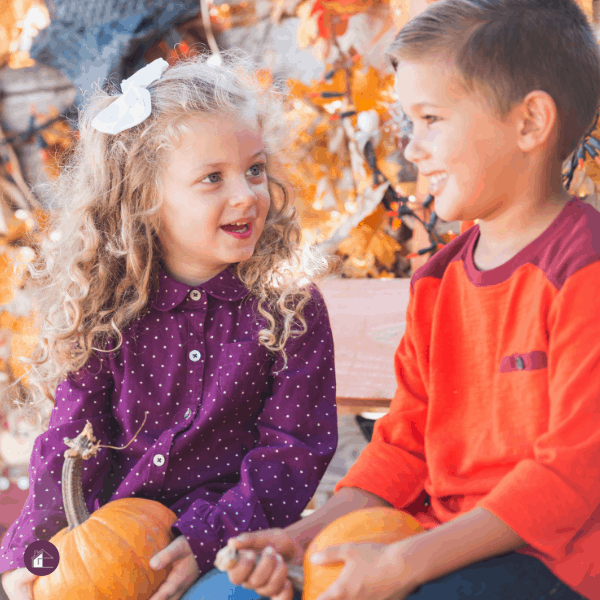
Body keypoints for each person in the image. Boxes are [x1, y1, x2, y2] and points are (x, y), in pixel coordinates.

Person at [220, 1, 600, 599]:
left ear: (530, 123)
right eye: (409, 123)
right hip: (439, 552)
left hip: (558, 566)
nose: (413, 149)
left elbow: (573, 476)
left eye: (430, 119)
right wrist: (304, 536)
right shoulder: (439, 282)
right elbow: (403, 447)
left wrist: (407, 563)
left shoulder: (583, 271)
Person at [0, 49, 340, 600]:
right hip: (114, 554)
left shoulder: (288, 310)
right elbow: (68, 443)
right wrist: (32, 555)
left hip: (229, 550)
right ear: (145, 201)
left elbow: (292, 450)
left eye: (255, 169)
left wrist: (207, 538)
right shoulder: (108, 310)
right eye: (212, 178)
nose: (246, 195)